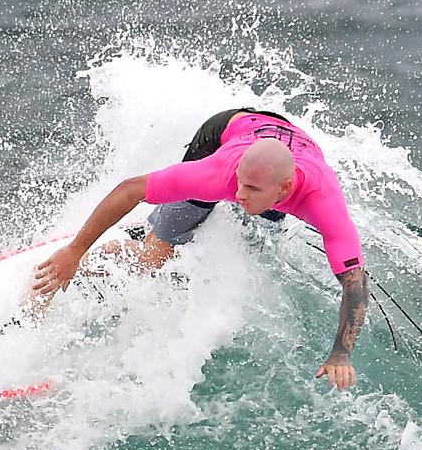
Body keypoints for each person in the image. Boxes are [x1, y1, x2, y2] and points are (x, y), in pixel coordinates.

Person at [32, 107, 369, 391]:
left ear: (286, 188)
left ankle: (172, 225)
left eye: (248, 188)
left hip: (282, 152)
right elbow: (129, 188)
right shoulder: (220, 174)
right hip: (229, 132)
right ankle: (140, 239)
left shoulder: (322, 200)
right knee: (153, 260)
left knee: (255, 235)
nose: (237, 194)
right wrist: (75, 249)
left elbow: (355, 282)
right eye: (238, 183)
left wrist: (341, 352)